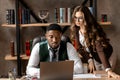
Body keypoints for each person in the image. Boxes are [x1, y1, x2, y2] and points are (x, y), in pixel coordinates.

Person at [70, 5, 120, 78]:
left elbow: (100, 50)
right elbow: (80, 48)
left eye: (80, 18)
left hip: (107, 58)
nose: (77, 21)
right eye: (75, 18)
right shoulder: (76, 29)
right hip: (95, 58)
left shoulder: (94, 30)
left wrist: (109, 70)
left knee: (107, 77)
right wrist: (90, 60)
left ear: (86, 18)